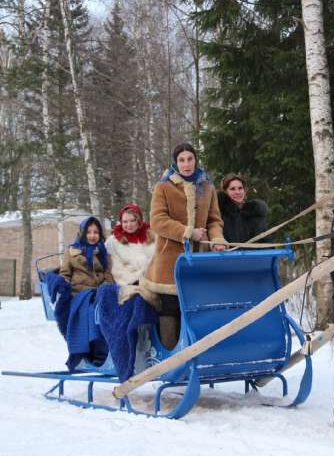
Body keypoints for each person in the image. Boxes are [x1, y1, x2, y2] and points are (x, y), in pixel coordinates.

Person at [140, 143, 226, 349]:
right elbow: (158, 221)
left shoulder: (207, 188)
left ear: (196, 160)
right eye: (181, 160)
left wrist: (217, 240)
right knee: (170, 308)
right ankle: (170, 358)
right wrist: (187, 232)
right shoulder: (163, 187)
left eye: (190, 159)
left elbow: (214, 221)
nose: (186, 164)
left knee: (195, 308)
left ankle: (194, 355)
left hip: (198, 262)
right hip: (169, 262)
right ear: (175, 162)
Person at [59, 216, 114, 294]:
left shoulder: (103, 252)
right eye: (88, 232)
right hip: (78, 292)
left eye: (96, 232)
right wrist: (64, 289)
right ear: (82, 233)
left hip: (99, 292)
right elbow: (65, 274)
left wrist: (104, 288)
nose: (92, 236)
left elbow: (108, 275)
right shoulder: (72, 251)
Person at [105, 203, 155, 286]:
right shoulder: (113, 241)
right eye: (125, 222)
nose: (129, 225)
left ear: (139, 220)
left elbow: (158, 259)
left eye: (132, 220)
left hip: (153, 279)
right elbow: (117, 270)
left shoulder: (151, 235)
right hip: (129, 283)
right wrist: (137, 278)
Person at [217, 173, 269, 243]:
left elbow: (265, 241)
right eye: (232, 189)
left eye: (240, 188)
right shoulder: (219, 213)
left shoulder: (255, 213)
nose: (237, 192)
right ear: (225, 191)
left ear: (244, 190)